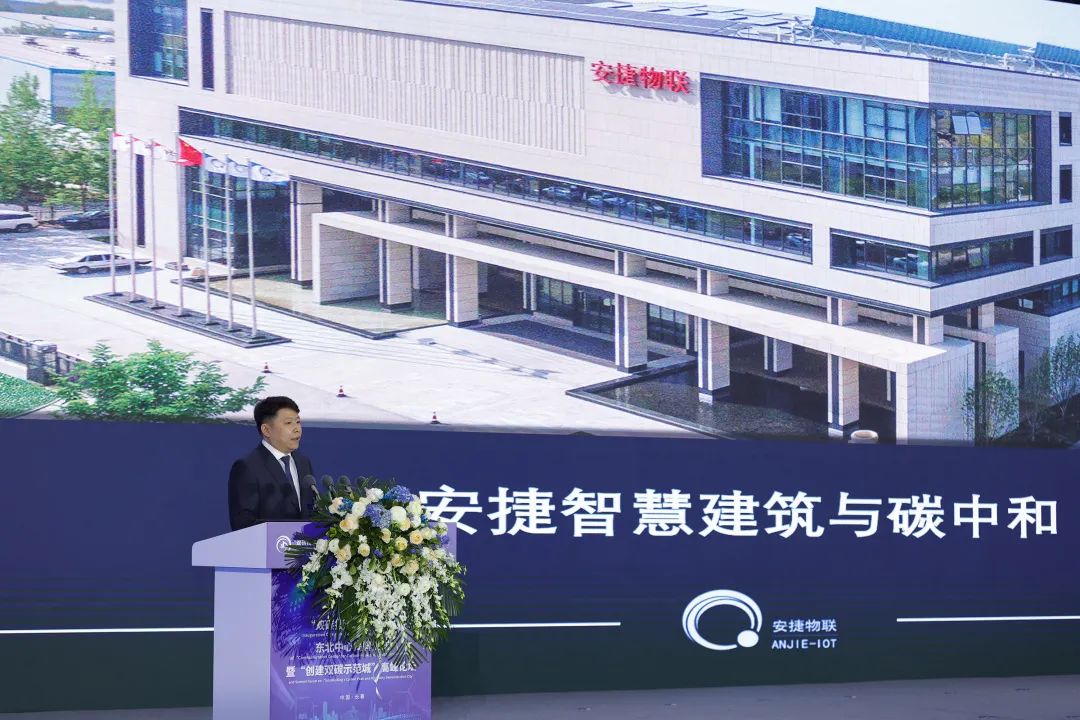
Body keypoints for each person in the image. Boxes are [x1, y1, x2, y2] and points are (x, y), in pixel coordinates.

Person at [228, 396, 316, 531]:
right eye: (288, 423)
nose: (297, 429)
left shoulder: (303, 463)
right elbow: (243, 524)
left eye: (298, 422)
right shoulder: (247, 467)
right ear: (267, 430)